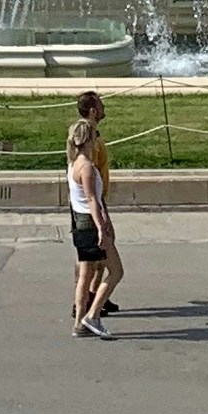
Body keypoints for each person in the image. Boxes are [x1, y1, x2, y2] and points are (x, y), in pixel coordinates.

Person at [66, 91, 117, 339]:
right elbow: (91, 196)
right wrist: (102, 223)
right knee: (109, 269)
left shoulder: (75, 157)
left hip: (82, 214)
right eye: (101, 104)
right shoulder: (88, 159)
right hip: (92, 213)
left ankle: (83, 315)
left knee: (89, 268)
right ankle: (91, 312)